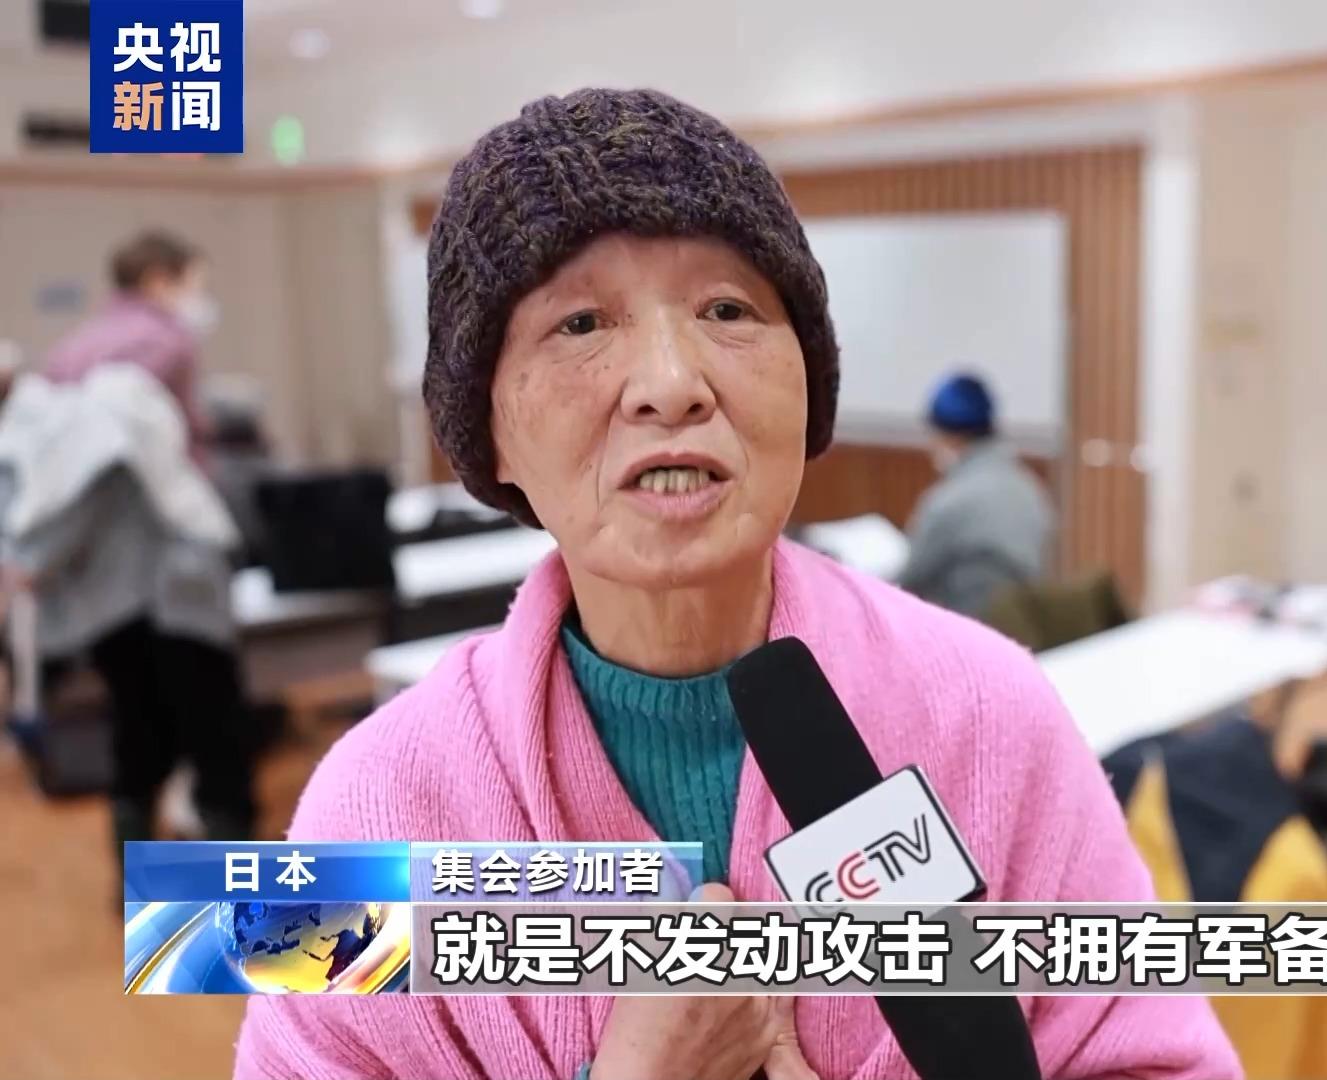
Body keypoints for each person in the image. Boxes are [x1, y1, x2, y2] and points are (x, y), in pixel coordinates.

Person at [236, 89, 1238, 1080]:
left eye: (727, 310)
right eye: (580, 322)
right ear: (486, 428)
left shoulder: (991, 714)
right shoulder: (371, 805)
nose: (672, 383)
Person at [0, 361, 254, 859]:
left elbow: (47, 532)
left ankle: (224, 881)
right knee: (151, 741)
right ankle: (162, 880)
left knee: (202, 737)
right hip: (133, 608)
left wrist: (25, 564)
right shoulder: (45, 428)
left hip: (173, 595)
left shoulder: (57, 426)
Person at [42, 230, 220, 454]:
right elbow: (184, 428)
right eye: (193, 287)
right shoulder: (169, 340)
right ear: (158, 281)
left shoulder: (77, 341)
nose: (198, 298)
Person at [898, 372, 1056, 618]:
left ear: (950, 436)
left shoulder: (949, 502)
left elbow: (909, 581)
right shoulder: (1030, 489)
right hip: (1028, 629)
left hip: (968, 629)